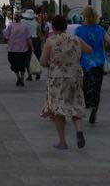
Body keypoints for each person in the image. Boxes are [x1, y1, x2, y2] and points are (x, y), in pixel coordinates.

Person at [40, 14, 92, 150]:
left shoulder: (51, 41)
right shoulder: (76, 39)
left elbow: (43, 61)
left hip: (57, 78)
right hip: (75, 76)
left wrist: (53, 63)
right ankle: (79, 131)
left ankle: (62, 141)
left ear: (53, 26)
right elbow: (89, 50)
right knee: (75, 103)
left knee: (58, 108)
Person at [76, 6, 110, 124]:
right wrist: (101, 47)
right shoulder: (100, 29)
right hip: (98, 61)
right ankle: (94, 111)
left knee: (84, 85)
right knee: (97, 86)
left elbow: (75, 44)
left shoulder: (80, 30)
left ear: (85, 17)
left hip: (84, 62)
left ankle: (85, 105)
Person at [4, 11, 33, 86]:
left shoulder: (21, 26)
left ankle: (20, 78)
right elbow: (7, 35)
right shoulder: (13, 26)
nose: (16, 17)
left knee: (18, 64)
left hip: (18, 49)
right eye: (16, 16)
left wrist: (32, 47)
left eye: (17, 16)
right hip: (17, 48)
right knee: (17, 64)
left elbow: (28, 37)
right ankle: (19, 78)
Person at [22, 9, 42, 80]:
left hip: (27, 40)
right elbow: (39, 32)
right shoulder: (36, 23)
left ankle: (29, 75)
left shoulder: (23, 22)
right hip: (36, 40)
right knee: (36, 57)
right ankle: (38, 74)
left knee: (27, 58)